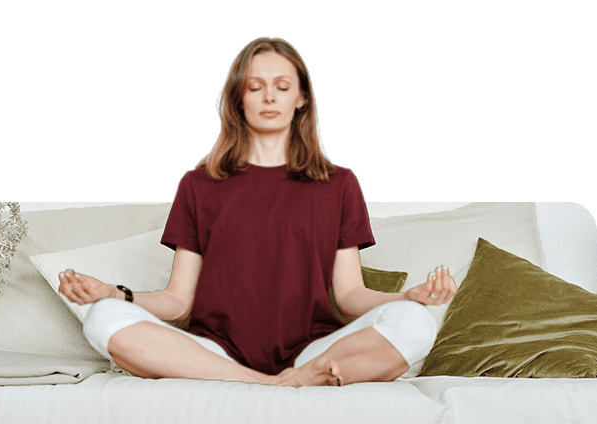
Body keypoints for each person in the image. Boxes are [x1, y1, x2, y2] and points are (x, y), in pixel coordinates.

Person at [58, 37, 457, 387]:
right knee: (102, 318)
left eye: (282, 87)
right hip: (216, 353)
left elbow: (350, 295)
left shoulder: (339, 184)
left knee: (417, 323)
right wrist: (114, 293)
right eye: (255, 87)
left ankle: (296, 375)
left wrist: (409, 298)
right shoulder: (198, 185)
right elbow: (179, 302)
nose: (269, 97)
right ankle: (269, 384)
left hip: (311, 350)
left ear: (301, 99)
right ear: (238, 98)